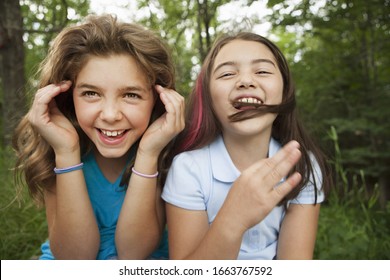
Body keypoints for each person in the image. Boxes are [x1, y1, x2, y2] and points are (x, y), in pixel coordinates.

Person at [12, 14, 184, 260]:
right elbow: (75, 259)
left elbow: (134, 255)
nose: (111, 115)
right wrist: (66, 153)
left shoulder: (170, 154)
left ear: (158, 98)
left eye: (131, 95)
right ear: (67, 96)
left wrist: (149, 154)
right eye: (91, 93)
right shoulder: (57, 149)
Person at [161, 32, 332, 260]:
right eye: (228, 73)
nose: (245, 81)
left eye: (262, 71)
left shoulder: (304, 166)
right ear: (208, 96)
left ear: (285, 89)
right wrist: (234, 219)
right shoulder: (188, 168)